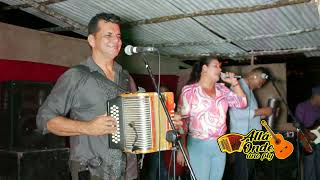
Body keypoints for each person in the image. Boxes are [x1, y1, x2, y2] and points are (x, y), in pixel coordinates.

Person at [36, 13, 182, 180]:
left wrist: (166, 122)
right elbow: (44, 120)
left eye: (118, 36)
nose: (116, 40)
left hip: (129, 171)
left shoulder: (126, 77)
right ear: (92, 40)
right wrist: (88, 127)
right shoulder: (76, 76)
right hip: (94, 171)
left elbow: (138, 124)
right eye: (108, 35)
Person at [176, 56, 247, 180]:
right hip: (199, 144)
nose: (219, 69)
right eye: (216, 66)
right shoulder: (190, 91)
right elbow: (182, 121)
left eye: (220, 67)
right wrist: (182, 148)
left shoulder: (222, 89)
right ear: (204, 68)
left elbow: (242, 103)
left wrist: (234, 83)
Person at [228, 67, 273, 180]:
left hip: (251, 139)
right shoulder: (237, 88)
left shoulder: (249, 91)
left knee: (246, 172)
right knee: (243, 174)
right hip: (242, 138)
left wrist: (264, 114)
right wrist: (261, 111)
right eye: (260, 82)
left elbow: (250, 116)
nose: (260, 86)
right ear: (254, 75)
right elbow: (238, 115)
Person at [295, 85, 320, 180]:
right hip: (305, 140)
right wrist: (308, 133)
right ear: (317, 96)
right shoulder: (302, 106)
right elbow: (298, 125)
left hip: (318, 140)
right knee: (309, 166)